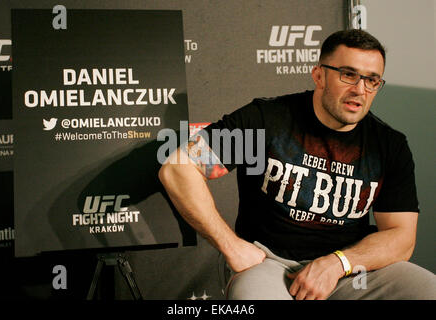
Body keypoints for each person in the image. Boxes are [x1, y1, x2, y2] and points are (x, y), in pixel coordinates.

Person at [158, 29, 436, 300]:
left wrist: (339, 263)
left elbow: (401, 235)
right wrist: (231, 247)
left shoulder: (388, 144)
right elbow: (179, 167)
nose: (359, 90)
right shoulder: (267, 121)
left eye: (372, 80)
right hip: (270, 265)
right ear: (319, 75)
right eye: (348, 74)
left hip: (349, 271)